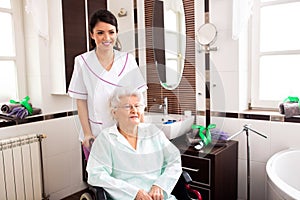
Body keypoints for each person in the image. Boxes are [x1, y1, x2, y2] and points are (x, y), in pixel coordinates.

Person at [68, 9, 147, 157]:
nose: (106, 37)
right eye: (100, 33)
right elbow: (81, 101)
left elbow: (139, 99)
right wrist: (87, 133)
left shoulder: (127, 60)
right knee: (100, 177)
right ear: (92, 34)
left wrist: (141, 129)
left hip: (125, 131)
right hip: (96, 134)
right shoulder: (82, 62)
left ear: (116, 33)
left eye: (111, 32)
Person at [86, 88, 182, 200]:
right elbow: (96, 175)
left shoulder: (153, 132)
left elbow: (174, 160)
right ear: (114, 112)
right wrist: (133, 193)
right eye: (127, 106)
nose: (134, 110)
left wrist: (160, 185)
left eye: (137, 106)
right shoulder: (106, 139)